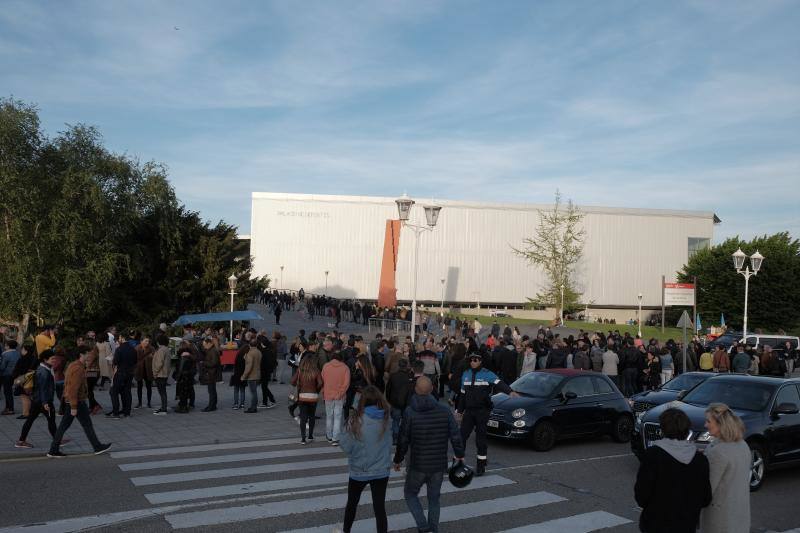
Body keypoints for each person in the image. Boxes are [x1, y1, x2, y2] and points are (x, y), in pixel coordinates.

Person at [394, 377, 465, 533]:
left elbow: (403, 439)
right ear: (432, 389)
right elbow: (455, 435)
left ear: (416, 390)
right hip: (438, 465)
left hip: (417, 464)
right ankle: (433, 529)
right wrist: (459, 454)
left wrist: (398, 459)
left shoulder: (410, 411)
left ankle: (423, 527)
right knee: (434, 499)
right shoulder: (445, 410)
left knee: (410, 494)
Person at [634, 408, 711, 533]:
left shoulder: (653, 455)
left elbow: (641, 495)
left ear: (663, 429)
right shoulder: (700, 459)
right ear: (687, 429)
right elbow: (706, 498)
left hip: (655, 524)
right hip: (687, 525)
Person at [339, 386, 392, 533]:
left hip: (359, 469)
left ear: (361, 401)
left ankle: (346, 530)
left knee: (352, 504)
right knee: (379, 507)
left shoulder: (354, 420)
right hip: (381, 470)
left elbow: (345, 445)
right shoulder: (387, 419)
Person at [47, 346, 112, 457]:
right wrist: (73, 406)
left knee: (64, 426)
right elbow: (73, 388)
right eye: (87, 353)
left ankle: (53, 450)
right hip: (77, 401)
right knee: (86, 425)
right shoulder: (78, 368)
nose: (89, 355)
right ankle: (97, 447)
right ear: (81, 355)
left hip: (71, 401)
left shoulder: (73, 365)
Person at [456, 353, 514, 476]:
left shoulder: (487, 374)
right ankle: (458, 463)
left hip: (482, 411)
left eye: (476, 360)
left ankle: (481, 465)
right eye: (471, 360)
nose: (473, 362)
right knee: (461, 438)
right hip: (469, 412)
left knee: (480, 440)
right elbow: (462, 395)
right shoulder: (465, 374)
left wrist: (510, 392)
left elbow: (499, 383)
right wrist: (460, 411)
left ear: (480, 361)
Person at [699, 403, 751, 533]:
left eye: (708, 421)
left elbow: (706, 490)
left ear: (720, 423)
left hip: (720, 520)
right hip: (740, 514)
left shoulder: (718, 452)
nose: (705, 425)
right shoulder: (742, 445)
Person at [15, 351, 59, 448]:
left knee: (31, 420)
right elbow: (43, 388)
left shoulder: (43, 368)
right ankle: (57, 440)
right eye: (52, 359)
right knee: (51, 420)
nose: (54, 360)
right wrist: (45, 403)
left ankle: (21, 441)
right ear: (45, 359)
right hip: (44, 401)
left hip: (37, 400)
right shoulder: (44, 372)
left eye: (54, 358)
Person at [292, 355, 323, 444]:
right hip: (313, 396)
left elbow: (292, 381)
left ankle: (303, 438)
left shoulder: (300, 371)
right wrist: (316, 390)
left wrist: (299, 385)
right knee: (312, 416)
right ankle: (310, 435)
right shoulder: (316, 370)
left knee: (303, 417)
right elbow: (321, 383)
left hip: (302, 396)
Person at [322, 351, 350, 445]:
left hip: (328, 394)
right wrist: (341, 393)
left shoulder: (326, 366)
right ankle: (335, 438)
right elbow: (346, 384)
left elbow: (323, 379)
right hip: (339, 396)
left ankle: (329, 436)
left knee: (329, 416)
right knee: (338, 417)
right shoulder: (345, 368)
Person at [108, 331, 136, 419]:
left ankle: (116, 413)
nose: (118, 340)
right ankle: (127, 412)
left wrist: (111, 360)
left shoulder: (119, 349)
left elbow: (115, 362)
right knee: (126, 392)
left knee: (113, 392)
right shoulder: (133, 349)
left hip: (120, 373)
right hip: (130, 373)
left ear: (122, 338)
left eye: (119, 338)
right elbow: (135, 361)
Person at [385, 358, 413, 444]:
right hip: (406, 403)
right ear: (406, 366)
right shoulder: (409, 377)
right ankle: (405, 438)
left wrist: (389, 400)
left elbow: (388, 389)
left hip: (395, 402)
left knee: (395, 421)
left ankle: (395, 438)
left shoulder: (393, 376)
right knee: (406, 421)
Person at [200, 337, 221, 412]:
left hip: (211, 373)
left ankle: (211, 406)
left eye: (205, 345)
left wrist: (204, 363)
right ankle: (212, 405)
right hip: (211, 373)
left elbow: (214, 363)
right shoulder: (210, 350)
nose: (204, 346)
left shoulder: (213, 351)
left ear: (209, 344)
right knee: (211, 390)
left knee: (211, 390)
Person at [241, 339, 262, 413]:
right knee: (254, 392)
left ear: (249, 345)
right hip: (257, 374)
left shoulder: (250, 353)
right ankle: (254, 407)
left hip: (252, 376)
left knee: (253, 392)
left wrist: (244, 376)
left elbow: (248, 366)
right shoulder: (259, 352)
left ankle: (253, 408)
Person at [151, 335, 171, 415]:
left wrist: (155, 373)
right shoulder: (166, 349)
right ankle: (163, 407)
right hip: (164, 373)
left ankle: (164, 409)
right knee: (163, 392)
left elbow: (159, 363)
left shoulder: (161, 350)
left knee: (162, 392)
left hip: (160, 374)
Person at [0, 340, 21, 414]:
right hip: (15, 374)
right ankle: (8, 407)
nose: (4, 347)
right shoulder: (18, 353)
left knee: (7, 392)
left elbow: (2, 367)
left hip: (7, 374)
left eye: (5, 345)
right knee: (9, 391)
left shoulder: (5, 354)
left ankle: (10, 408)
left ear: (8, 346)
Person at [134, 336, 155, 409]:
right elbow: (134, 359)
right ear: (141, 341)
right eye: (146, 341)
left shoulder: (152, 348)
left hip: (148, 369)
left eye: (148, 341)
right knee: (139, 387)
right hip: (139, 369)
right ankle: (139, 402)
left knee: (149, 387)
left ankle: (149, 402)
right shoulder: (137, 348)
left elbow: (154, 358)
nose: (147, 343)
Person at [174, 346, 196, 413]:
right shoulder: (190, 357)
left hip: (183, 378)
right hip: (188, 378)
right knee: (187, 392)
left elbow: (180, 369)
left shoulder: (183, 358)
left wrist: (177, 377)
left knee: (183, 393)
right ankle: (185, 405)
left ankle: (183, 407)